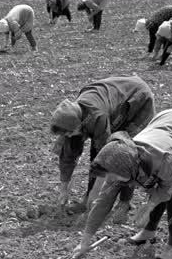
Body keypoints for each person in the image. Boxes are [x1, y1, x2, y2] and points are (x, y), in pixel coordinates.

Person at [73, 109, 172, 259]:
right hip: (167, 120)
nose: (111, 179)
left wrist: (149, 207)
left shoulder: (164, 161)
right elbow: (103, 203)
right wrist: (85, 241)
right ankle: (148, 232)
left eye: (114, 176)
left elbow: (167, 188)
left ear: (128, 170)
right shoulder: (120, 161)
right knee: (155, 186)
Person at [51, 76, 156, 223]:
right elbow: (68, 155)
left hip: (137, 101)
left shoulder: (96, 116)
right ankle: (86, 200)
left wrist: (96, 196)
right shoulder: (71, 118)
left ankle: (124, 203)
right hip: (114, 109)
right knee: (92, 151)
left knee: (126, 152)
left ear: (79, 125)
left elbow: (105, 159)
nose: (68, 136)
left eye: (69, 133)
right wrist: (64, 189)